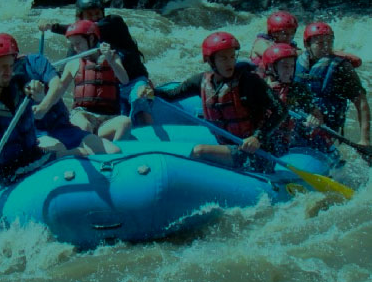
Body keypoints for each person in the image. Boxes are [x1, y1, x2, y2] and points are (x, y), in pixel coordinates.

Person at [0, 33, 119, 194]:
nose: (8, 72)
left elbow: (35, 87)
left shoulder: (19, 83)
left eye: (11, 66)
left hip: (36, 156)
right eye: (3, 67)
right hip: (8, 172)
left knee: (88, 153)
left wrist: (38, 91)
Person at [155, 32, 288, 171]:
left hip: (256, 153)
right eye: (223, 58)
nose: (229, 62)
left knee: (199, 151)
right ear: (210, 60)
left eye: (232, 56)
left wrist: (257, 138)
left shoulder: (250, 81)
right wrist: (149, 91)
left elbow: (281, 110)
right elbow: (170, 95)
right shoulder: (200, 81)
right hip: (229, 147)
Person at [39, 0, 153, 125]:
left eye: (97, 13)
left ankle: (148, 129)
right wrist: (45, 84)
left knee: (139, 98)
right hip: (115, 88)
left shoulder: (114, 23)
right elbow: (63, 70)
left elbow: (92, 27)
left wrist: (52, 27)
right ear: (80, 17)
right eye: (89, 14)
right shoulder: (79, 44)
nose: (94, 17)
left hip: (135, 80)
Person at [33, 20, 132, 141]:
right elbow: (58, 90)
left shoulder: (112, 57)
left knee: (125, 122)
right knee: (85, 126)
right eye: (73, 45)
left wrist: (111, 60)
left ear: (91, 38)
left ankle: (114, 151)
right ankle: (91, 146)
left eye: (78, 43)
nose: (76, 48)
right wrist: (42, 98)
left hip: (107, 118)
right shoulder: (72, 63)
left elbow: (124, 80)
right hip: (82, 114)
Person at [295, 22, 371, 147]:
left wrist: (365, 140)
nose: (326, 47)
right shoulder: (294, 61)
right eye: (320, 43)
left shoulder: (342, 68)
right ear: (307, 45)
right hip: (297, 122)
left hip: (326, 128)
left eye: (329, 42)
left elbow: (361, 103)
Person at [260, 43, 326, 156]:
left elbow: (317, 116)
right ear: (271, 67)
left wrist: (313, 121)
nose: (290, 71)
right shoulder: (260, 89)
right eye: (285, 67)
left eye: (292, 66)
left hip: (292, 139)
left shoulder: (298, 90)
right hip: (266, 138)